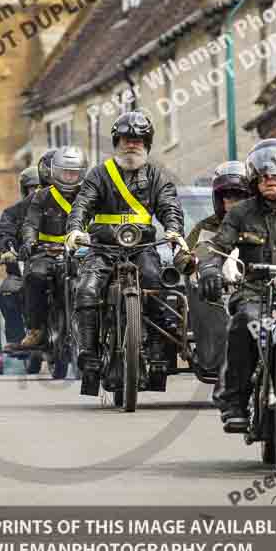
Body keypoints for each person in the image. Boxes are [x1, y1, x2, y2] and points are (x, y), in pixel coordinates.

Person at [199, 139, 276, 432]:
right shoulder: (240, 213)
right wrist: (208, 270)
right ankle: (234, 403)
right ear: (255, 179)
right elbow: (216, 248)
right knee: (244, 324)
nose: (270, 180)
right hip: (256, 292)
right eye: (264, 175)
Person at [65, 111, 193, 395]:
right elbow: (82, 204)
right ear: (116, 142)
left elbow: (170, 206)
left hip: (142, 247)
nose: (131, 145)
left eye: (137, 140)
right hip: (102, 247)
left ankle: (159, 355)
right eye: (126, 139)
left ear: (146, 143)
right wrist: (75, 229)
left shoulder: (157, 176)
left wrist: (173, 231)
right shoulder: (99, 174)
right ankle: (89, 356)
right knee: (86, 290)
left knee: (157, 286)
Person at [187, 162, 251, 390]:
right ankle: (214, 357)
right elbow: (184, 255)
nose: (231, 201)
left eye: (239, 196)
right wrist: (193, 261)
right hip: (213, 291)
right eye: (227, 196)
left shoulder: (261, 224)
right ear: (219, 199)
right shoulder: (205, 228)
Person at [19, 146, 88, 348]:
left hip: (80, 252)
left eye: (74, 173)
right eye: (65, 172)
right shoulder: (41, 196)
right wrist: (30, 242)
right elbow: (30, 223)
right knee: (35, 277)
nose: (69, 177)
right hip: (47, 252)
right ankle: (36, 329)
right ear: (56, 172)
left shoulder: (88, 195)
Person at [0, 165, 40, 347]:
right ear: (24, 190)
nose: (37, 191)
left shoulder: (57, 209)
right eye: (32, 187)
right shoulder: (13, 213)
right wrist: (7, 250)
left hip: (56, 265)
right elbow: (4, 235)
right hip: (22, 270)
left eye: (41, 187)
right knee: (6, 292)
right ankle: (16, 338)